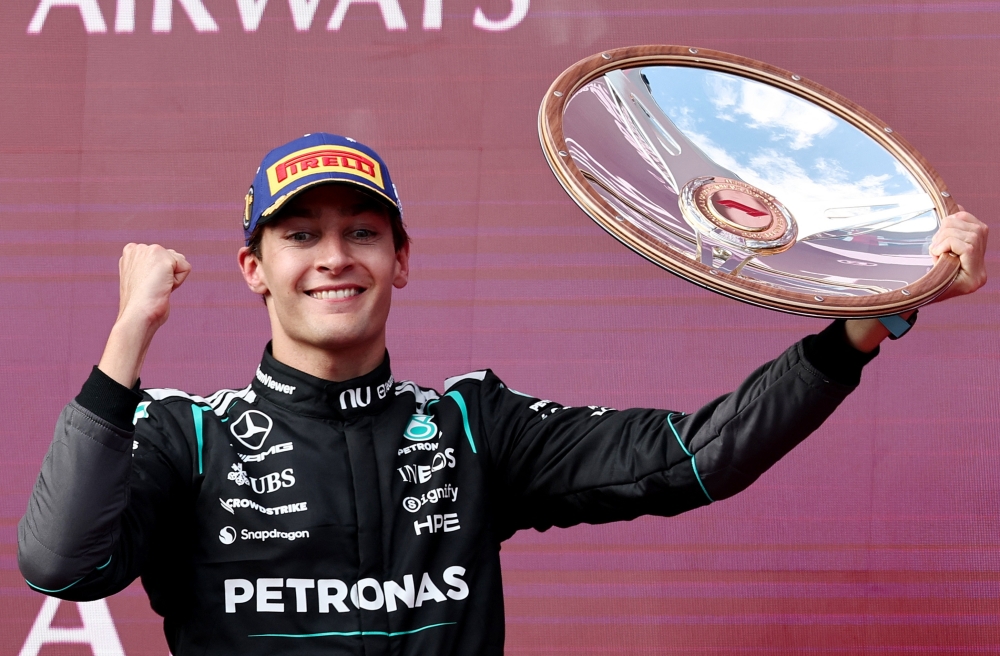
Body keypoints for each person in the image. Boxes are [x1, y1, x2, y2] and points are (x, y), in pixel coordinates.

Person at [17, 133, 988, 656]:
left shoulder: (473, 426)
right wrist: (126, 339)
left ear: (401, 260)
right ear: (253, 267)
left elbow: (700, 455)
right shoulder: (187, 436)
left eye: (362, 231)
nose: (333, 256)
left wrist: (869, 317)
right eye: (300, 235)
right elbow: (60, 565)